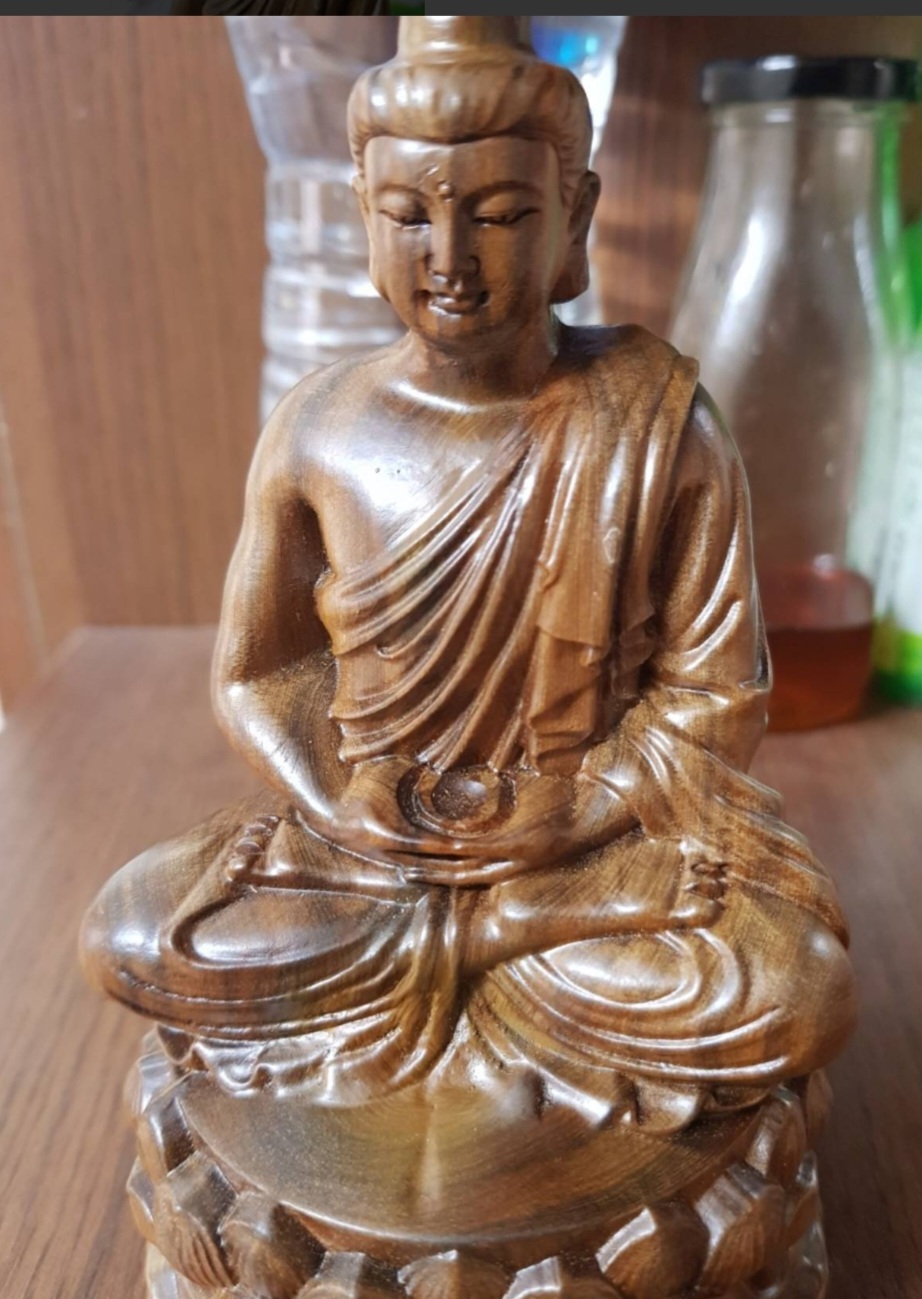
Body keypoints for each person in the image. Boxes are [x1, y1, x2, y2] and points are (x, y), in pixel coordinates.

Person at [81, 16, 856, 1133]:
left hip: (583, 846)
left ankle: (483, 952)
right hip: (368, 854)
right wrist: (338, 806)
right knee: (133, 929)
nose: (450, 258)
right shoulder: (317, 427)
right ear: (363, 214)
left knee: (791, 985)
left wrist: (577, 812)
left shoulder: (662, 426)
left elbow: (715, 695)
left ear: (574, 218)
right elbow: (260, 675)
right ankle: (494, 944)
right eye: (409, 216)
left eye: (498, 215)